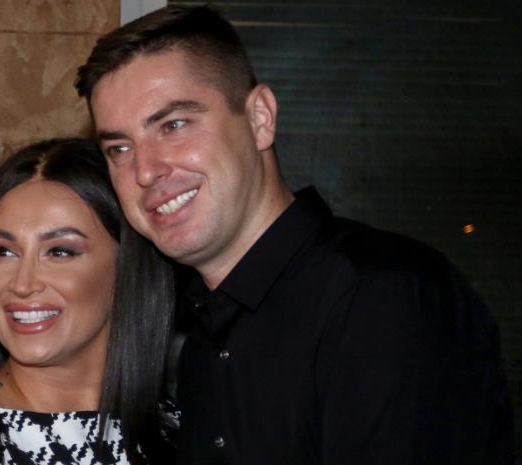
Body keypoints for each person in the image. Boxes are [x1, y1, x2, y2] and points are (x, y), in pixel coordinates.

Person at [75, 5, 513, 465]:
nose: (145, 171)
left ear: (260, 118)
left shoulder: (381, 297)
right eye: (119, 148)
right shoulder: (201, 342)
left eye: (174, 125)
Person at [0, 138, 176, 465]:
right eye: (3, 251)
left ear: (128, 266)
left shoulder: (182, 431)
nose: (23, 284)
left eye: (59, 251)